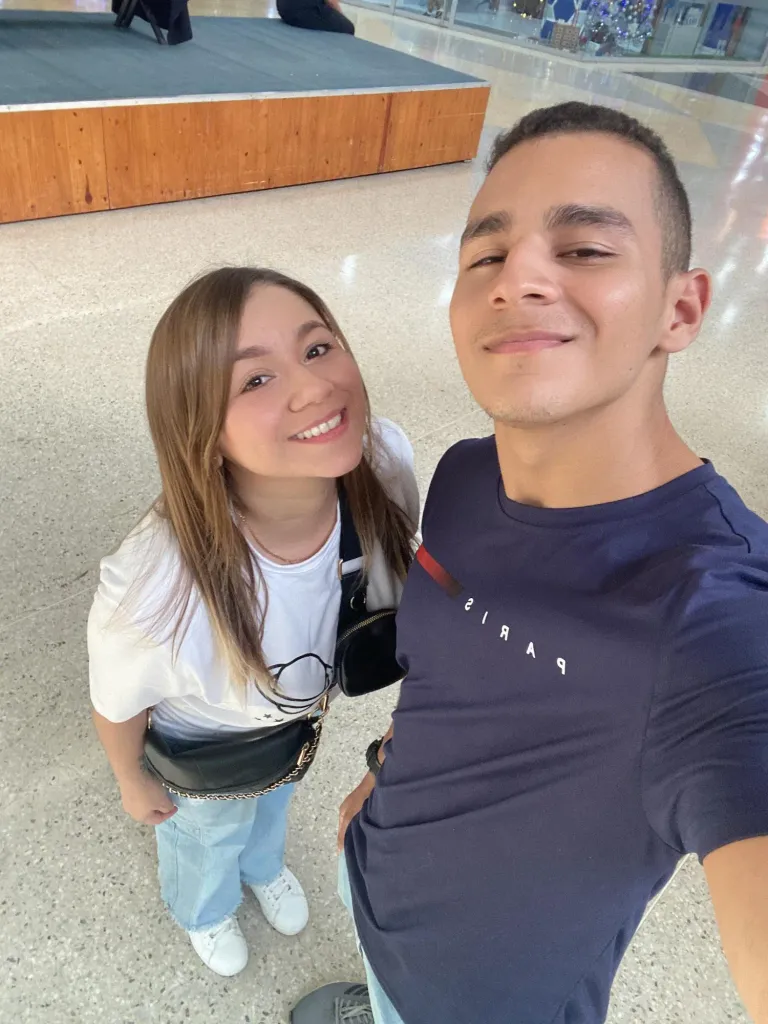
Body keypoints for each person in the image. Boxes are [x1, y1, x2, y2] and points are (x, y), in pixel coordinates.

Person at [292, 102, 768, 1024]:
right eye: (486, 256)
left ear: (680, 309)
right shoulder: (466, 475)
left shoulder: (712, 617)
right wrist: (386, 768)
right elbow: (452, 672)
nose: (519, 279)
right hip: (375, 879)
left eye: (585, 248)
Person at [88, 267, 418, 978]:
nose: (313, 386)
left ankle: (263, 867)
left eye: (317, 348)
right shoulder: (153, 585)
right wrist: (130, 779)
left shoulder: (384, 463)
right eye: (256, 380)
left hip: (296, 725)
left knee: (275, 802)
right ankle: (203, 909)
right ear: (201, 433)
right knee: (206, 832)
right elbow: (117, 702)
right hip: (206, 748)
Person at [277, 0, 355, 35]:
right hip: (302, 10)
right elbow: (331, 2)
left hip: (283, 8)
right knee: (348, 28)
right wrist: (340, 15)